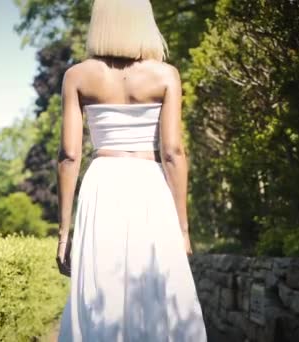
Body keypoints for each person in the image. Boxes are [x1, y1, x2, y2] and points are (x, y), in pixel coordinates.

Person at [54, 0, 208, 340]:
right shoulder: (165, 75)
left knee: (102, 287)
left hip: (102, 184)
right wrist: (183, 228)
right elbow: (173, 153)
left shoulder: (77, 76)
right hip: (149, 185)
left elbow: (68, 156)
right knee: (157, 285)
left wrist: (64, 233)